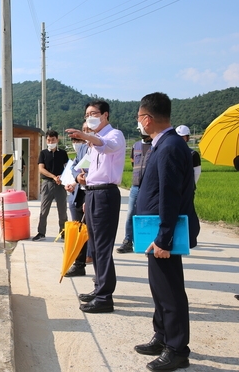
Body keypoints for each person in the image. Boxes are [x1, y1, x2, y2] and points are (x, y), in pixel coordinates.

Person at [134, 92, 200, 371]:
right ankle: (161, 335)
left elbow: (170, 196)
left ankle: (177, 349)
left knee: (171, 291)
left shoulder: (171, 146)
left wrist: (164, 238)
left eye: (139, 118)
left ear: (147, 119)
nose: (139, 124)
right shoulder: (163, 144)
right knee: (159, 288)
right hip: (154, 232)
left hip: (164, 234)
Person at [65, 100, 126, 313]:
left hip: (105, 194)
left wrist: (85, 136)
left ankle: (104, 297)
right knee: (95, 245)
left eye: (94, 113)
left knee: (102, 247)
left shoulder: (114, 135)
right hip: (91, 194)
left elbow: (106, 145)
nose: (89, 117)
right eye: (87, 114)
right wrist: (81, 179)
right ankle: (99, 287)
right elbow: (88, 168)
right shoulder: (91, 144)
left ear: (105, 115)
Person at [64, 122, 93, 277]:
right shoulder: (82, 148)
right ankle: (79, 264)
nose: (85, 133)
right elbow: (74, 166)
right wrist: (76, 179)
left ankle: (96, 265)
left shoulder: (101, 149)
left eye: (89, 130)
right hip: (79, 193)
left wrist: (86, 178)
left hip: (93, 194)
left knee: (93, 233)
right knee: (79, 230)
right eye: (84, 130)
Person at [117, 134, 152, 254]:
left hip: (150, 187)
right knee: (131, 214)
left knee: (150, 215)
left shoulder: (157, 145)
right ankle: (128, 241)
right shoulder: (136, 145)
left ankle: (148, 242)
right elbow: (133, 163)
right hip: (136, 186)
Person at [33, 130, 69, 241]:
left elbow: (68, 168)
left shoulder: (63, 153)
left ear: (57, 139)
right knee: (44, 210)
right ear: (46, 140)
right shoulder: (43, 153)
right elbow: (41, 169)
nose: (50, 141)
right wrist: (53, 177)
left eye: (53, 139)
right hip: (47, 184)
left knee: (62, 210)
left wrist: (61, 178)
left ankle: (63, 232)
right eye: (48, 140)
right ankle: (41, 233)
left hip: (60, 184)